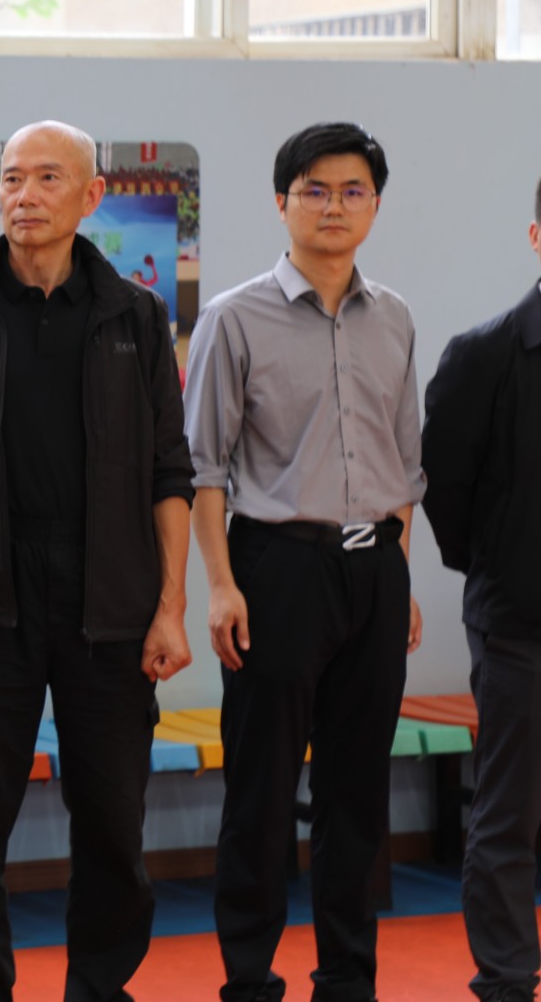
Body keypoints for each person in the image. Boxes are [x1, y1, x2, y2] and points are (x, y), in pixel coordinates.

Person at [0, 120, 194, 1002]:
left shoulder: (134, 315)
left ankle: (98, 989)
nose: (23, 195)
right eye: (11, 178)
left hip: (110, 593)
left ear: (91, 194)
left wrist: (171, 605)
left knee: (112, 826)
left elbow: (168, 470)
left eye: (47, 178)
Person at [184, 122, 423, 1002]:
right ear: (281, 201)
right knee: (262, 788)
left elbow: (405, 464)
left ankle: (347, 979)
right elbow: (204, 469)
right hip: (276, 569)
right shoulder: (233, 317)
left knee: (358, 792)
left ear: (375, 205)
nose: (333, 206)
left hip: (375, 570)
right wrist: (220, 586)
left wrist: (400, 571)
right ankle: (249, 977)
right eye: (314, 189)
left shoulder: (394, 317)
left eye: (352, 190)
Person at [419, 180, 541, 1002]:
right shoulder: (485, 354)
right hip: (521, 624)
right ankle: (506, 979)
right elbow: (445, 489)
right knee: (509, 813)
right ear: (536, 236)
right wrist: (499, 564)